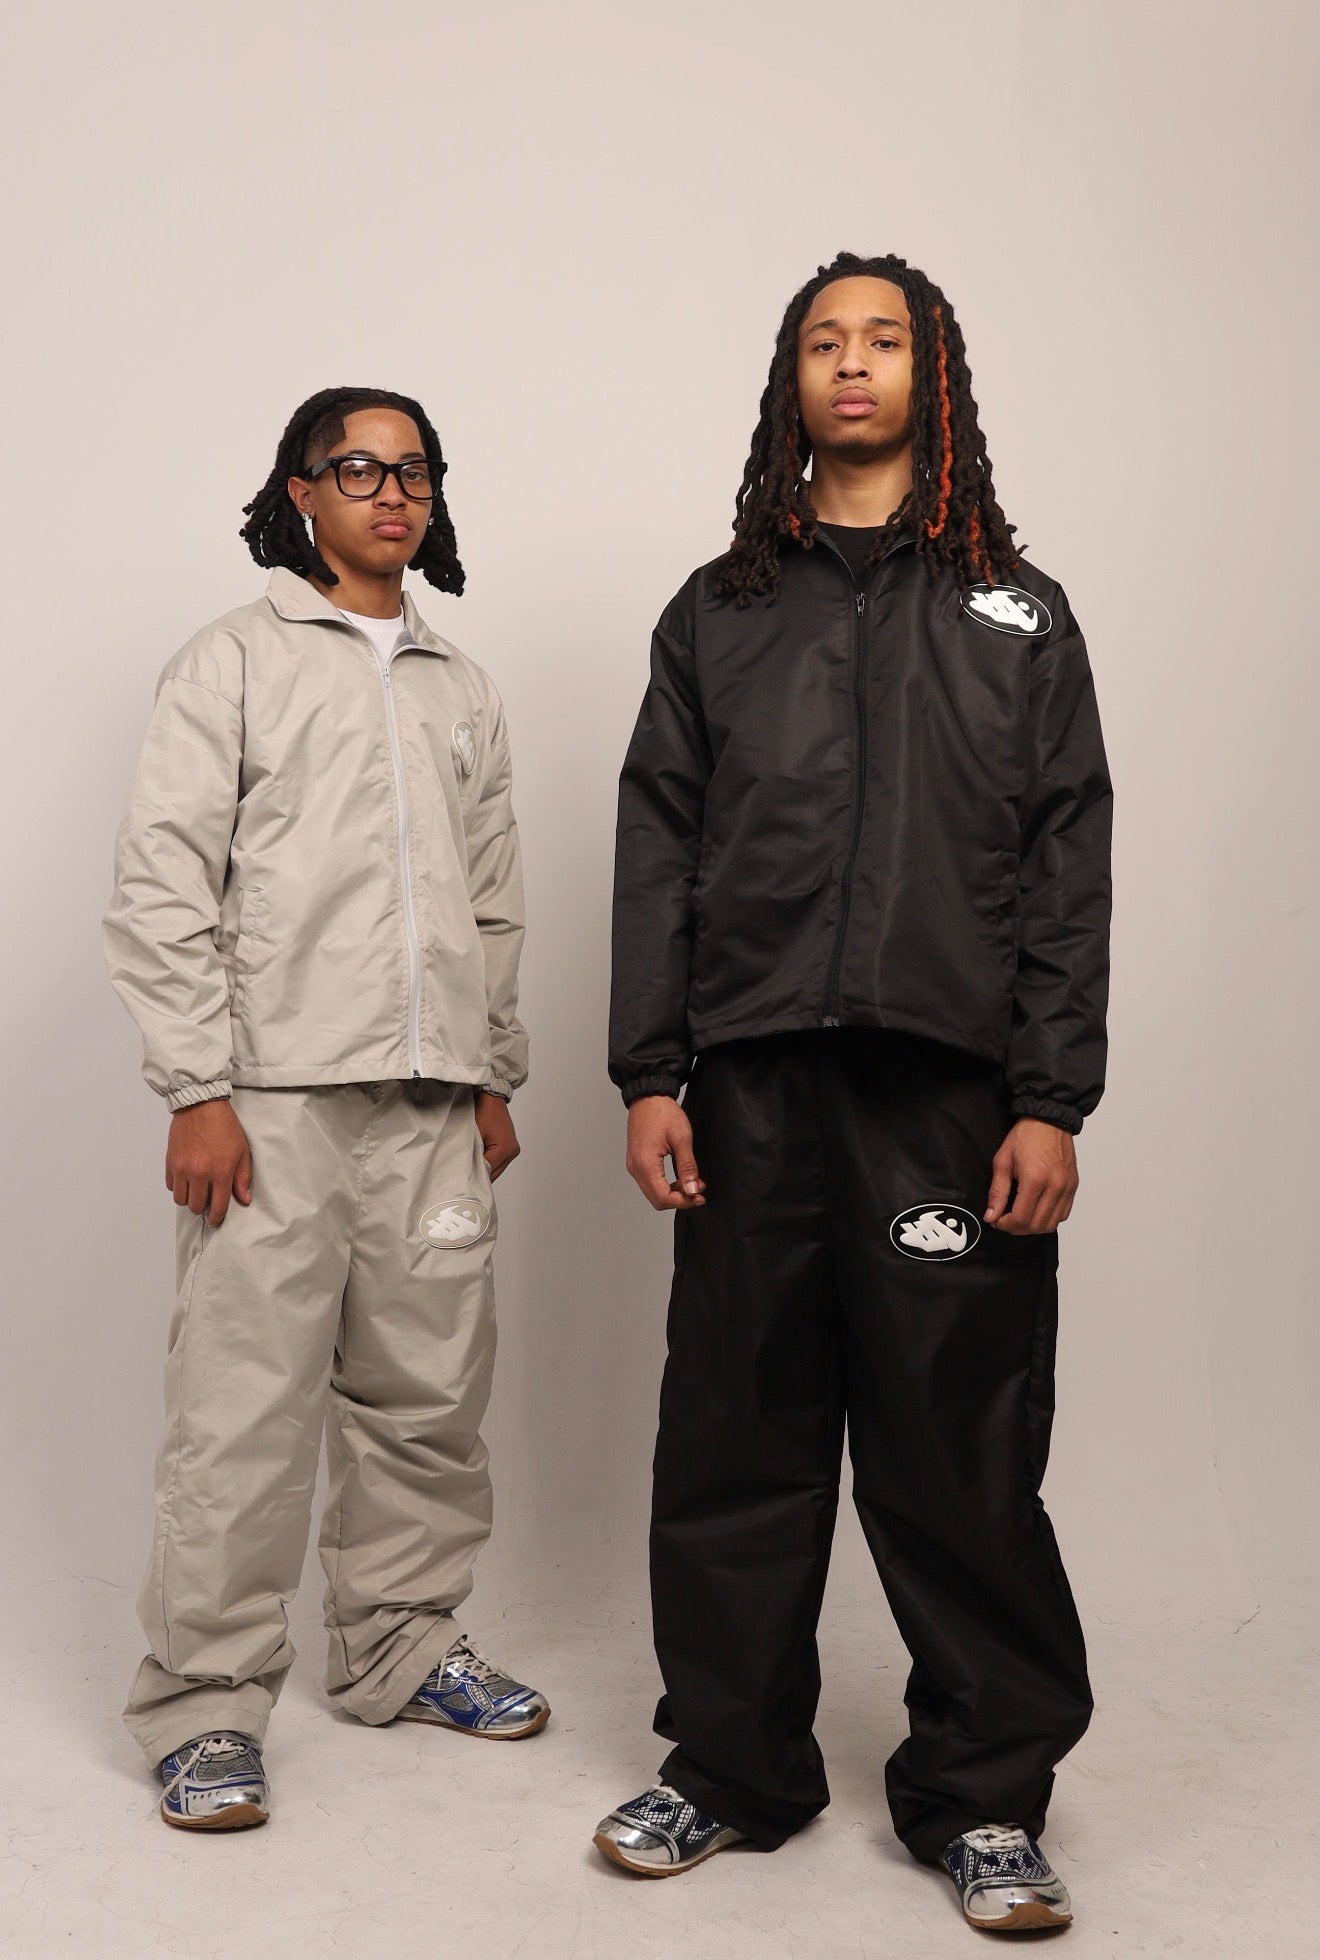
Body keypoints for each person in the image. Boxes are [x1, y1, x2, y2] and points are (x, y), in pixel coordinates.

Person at [594, 254, 1111, 1935]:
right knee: (733, 1437)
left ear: (933, 375)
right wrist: (651, 1071)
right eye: (825, 342)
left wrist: (1051, 1099)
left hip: (947, 1097)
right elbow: (659, 844)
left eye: (886, 339)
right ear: (790, 384)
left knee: (958, 1452)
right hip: (749, 1086)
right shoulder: (721, 609)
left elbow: (1067, 863)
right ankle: (732, 1768)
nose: (854, 363)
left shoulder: (1018, 613)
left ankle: (985, 1795)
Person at [102, 387, 548, 1832]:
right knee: (242, 1412)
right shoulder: (232, 662)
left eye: (413, 470)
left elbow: (491, 895)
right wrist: (198, 1087)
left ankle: (401, 1648)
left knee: (428, 1401)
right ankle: (203, 1704)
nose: (390, 491)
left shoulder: (459, 684)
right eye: (358, 468)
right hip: (271, 1103)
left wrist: (491, 1068)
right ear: (301, 491)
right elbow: (164, 882)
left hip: (431, 1106)